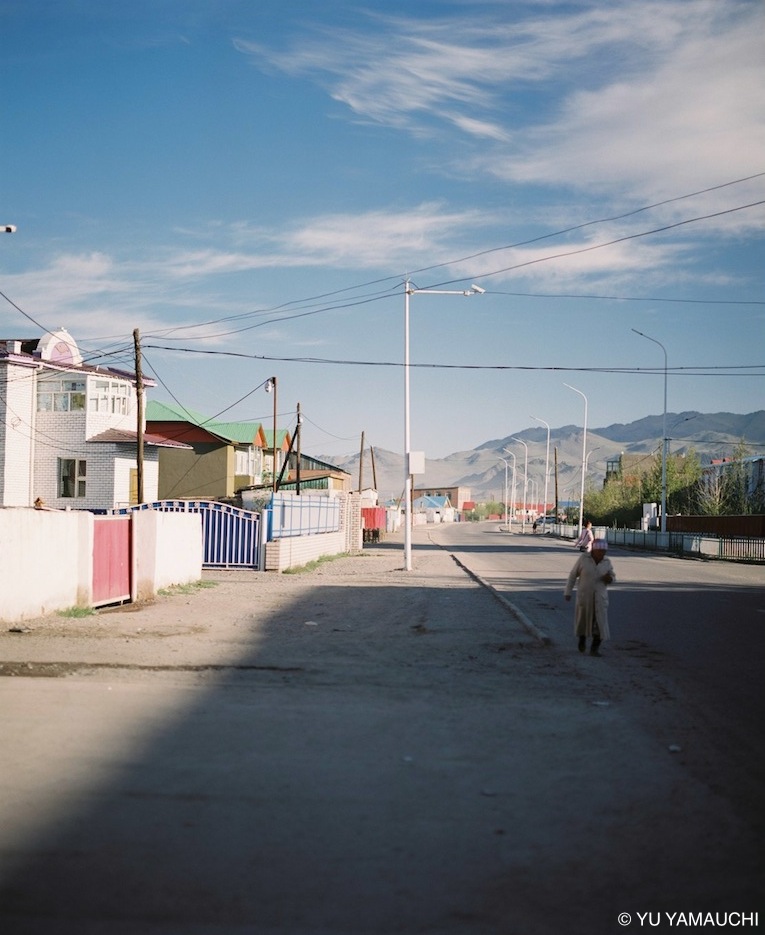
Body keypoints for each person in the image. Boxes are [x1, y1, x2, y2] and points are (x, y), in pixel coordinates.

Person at [564, 538, 615, 656]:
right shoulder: (583, 559)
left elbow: (612, 576)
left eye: (604, 552)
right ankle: (582, 640)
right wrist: (568, 592)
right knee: (583, 622)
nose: (602, 554)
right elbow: (573, 575)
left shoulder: (607, 562)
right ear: (594, 551)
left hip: (600, 599)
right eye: (600, 551)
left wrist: (610, 578)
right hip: (585, 597)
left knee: (600, 624)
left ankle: (594, 649)